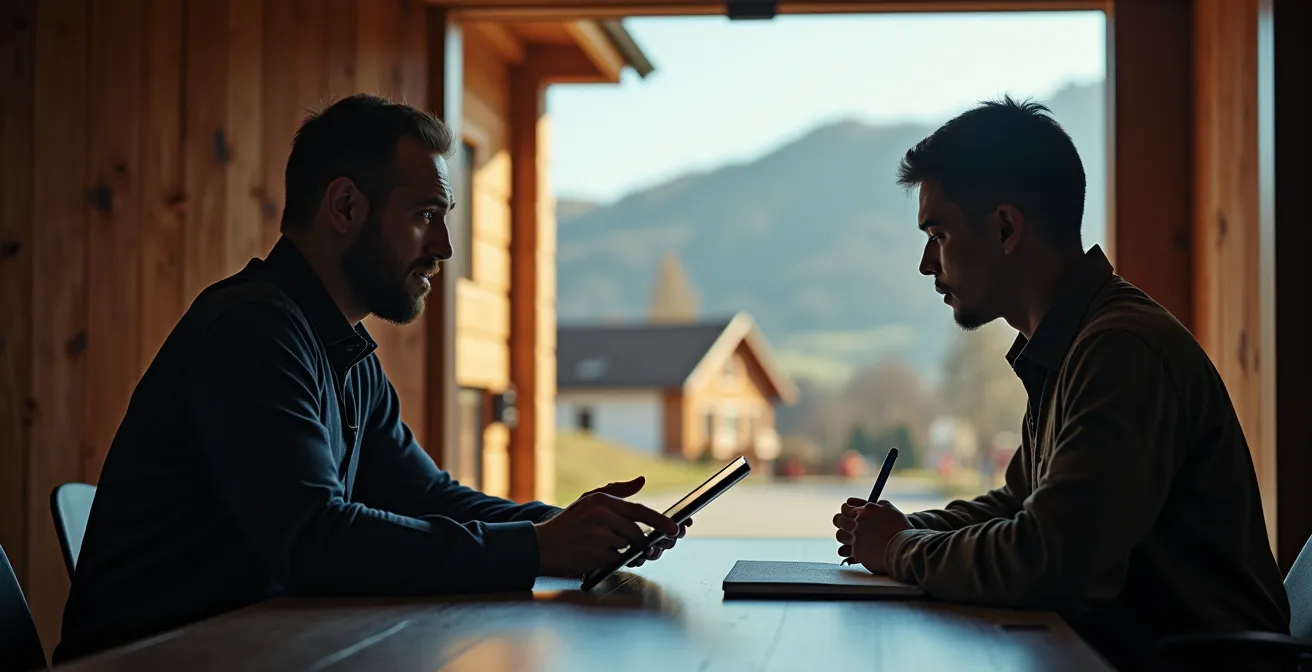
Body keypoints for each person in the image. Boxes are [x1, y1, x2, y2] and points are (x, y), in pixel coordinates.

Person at [55, 94, 688, 663]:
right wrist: (539, 548)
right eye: (424, 215)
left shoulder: (341, 350)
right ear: (345, 206)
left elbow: (431, 497)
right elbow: (317, 541)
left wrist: (575, 528)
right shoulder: (251, 331)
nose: (442, 247)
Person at [832, 96, 1289, 668]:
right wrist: (899, 529)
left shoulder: (1120, 351)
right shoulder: (1072, 343)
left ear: (1005, 228)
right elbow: (1019, 505)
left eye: (939, 233)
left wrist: (900, 549)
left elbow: (1047, 561)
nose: (927, 263)